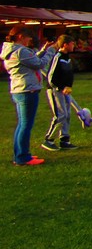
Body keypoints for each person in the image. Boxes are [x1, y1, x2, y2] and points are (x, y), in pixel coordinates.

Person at [2, 25, 56, 166]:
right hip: (27, 90)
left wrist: (44, 50)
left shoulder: (12, 50)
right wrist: (50, 52)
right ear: (20, 36)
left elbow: (31, 60)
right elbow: (38, 64)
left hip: (19, 89)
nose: (29, 41)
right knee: (26, 125)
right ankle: (23, 157)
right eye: (27, 38)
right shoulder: (20, 51)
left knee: (22, 125)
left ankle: (20, 154)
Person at [42, 35, 79, 150]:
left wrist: (69, 86)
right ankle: (48, 139)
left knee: (67, 114)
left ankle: (64, 139)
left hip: (65, 90)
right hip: (55, 90)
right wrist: (61, 87)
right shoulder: (58, 57)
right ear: (65, 45)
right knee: (60, 115)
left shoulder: (67, 58)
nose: (74, 45)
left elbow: (68, 75)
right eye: (72, 43)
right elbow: (51, 76)